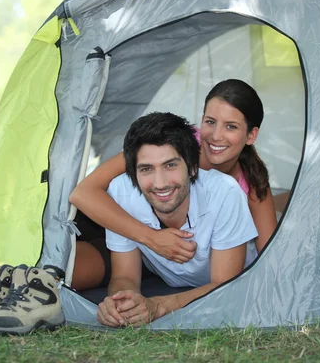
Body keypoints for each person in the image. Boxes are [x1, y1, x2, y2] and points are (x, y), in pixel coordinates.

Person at [69, 79, 284, 291]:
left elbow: (270, 259)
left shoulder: (251, 183)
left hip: (172, 253)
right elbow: (83, 193)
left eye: (231, 126)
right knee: (67, 252)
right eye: (210, 122)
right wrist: (152, 239)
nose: (216, 136)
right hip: (127, 221)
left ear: (251, 135)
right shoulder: (172, 145)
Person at [96, 112, 258, 326]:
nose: (160, 183)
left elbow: (224, 286)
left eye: (170, 165)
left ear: (192, 168)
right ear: (133, 174)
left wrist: (160, 306)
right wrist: (121, 302)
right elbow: (125, 276)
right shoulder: (121, 192)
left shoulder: (225, 191)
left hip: (248, 265)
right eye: (146, 169)